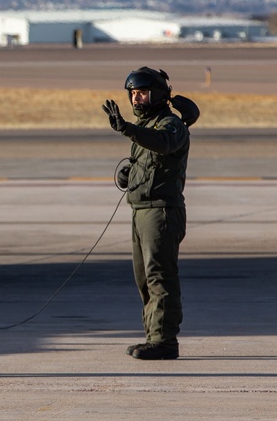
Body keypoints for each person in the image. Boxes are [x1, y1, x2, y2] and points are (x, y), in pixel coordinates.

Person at [102, 66, 190, 360]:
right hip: (140, 211)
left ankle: (165, 341)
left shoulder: (170, 125)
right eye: (133, 94)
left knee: (159, 275)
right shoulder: (147, 128)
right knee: (143, 277)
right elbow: (150, 163)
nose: (136, 98)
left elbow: (164, 145)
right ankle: (154, 336)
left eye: (142, 92)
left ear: (158, 95)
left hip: (161, 212)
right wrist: (130, 176)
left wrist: (128, 128)